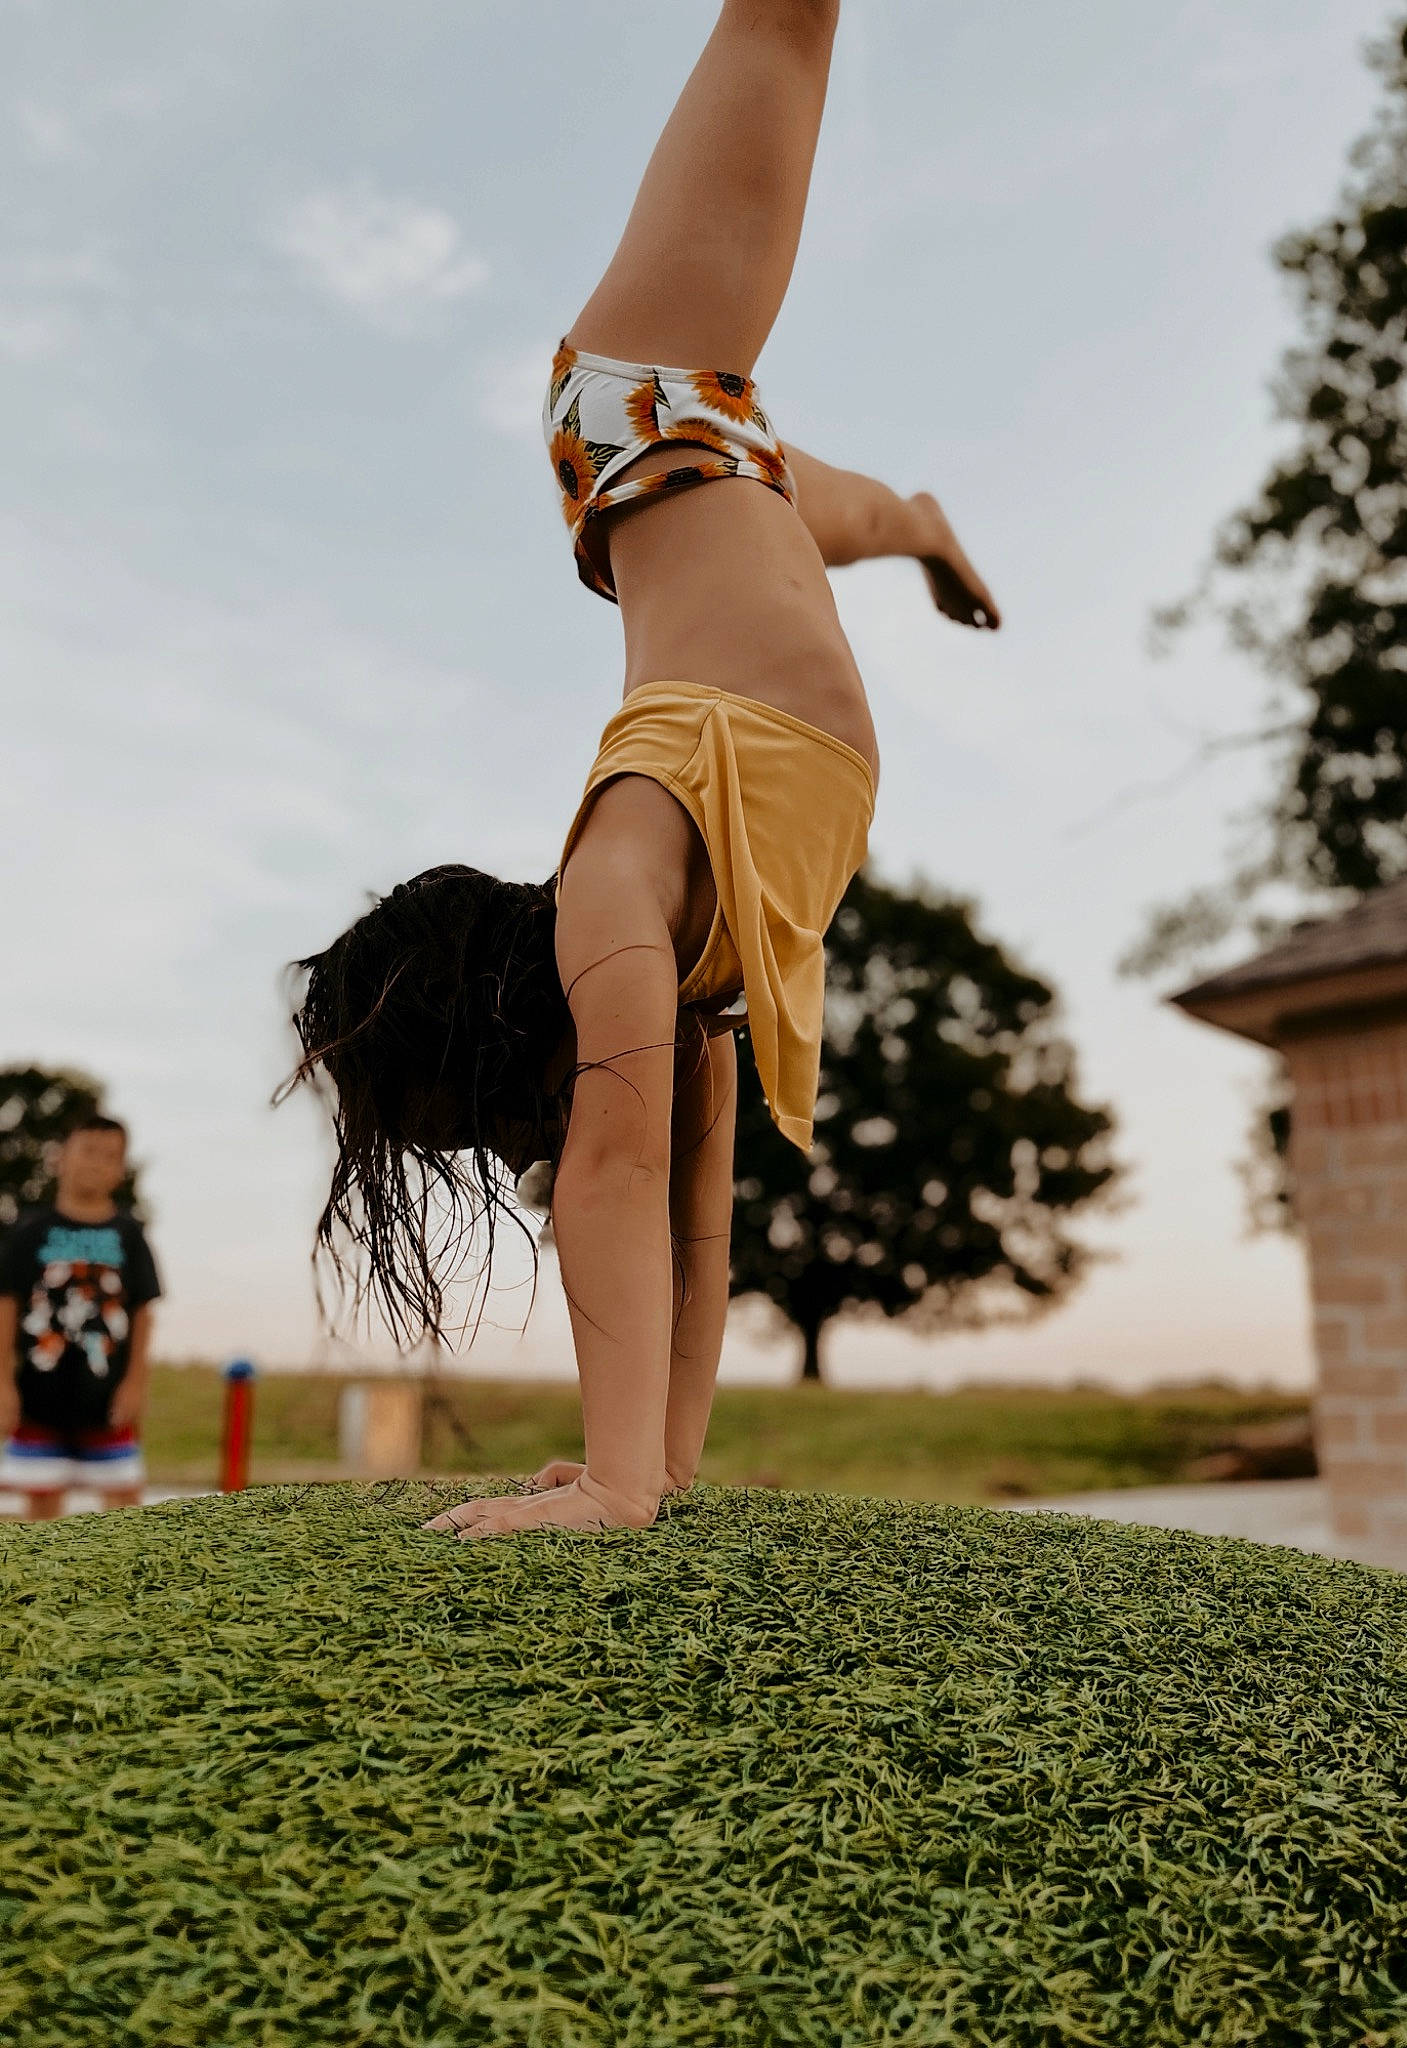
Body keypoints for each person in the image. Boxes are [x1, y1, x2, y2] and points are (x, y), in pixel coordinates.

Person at [289, 0, 999, 1537]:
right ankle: (923, 522)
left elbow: (613, 1189)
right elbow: (694, 1244)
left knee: (781, 32)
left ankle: (911, 522)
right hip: (716, 492)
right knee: (798, 498)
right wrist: (655, 1471)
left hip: (625, 403)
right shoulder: (690, 1011)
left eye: (502, 1123)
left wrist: (605, 1491)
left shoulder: (609, 897)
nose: (538, 1149)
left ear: (506, 1030)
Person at [0, 1116, 161, 1520]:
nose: (96, 1163)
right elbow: (6, 1306)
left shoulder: (129, 1234)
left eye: (110, 1156)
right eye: (87, 1151)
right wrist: (2, 1383)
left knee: (125, 1504)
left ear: (121, 1169)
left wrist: (136, 1384)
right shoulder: (29, 1231)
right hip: (38, 1394)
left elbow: (143, 1312)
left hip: (106, 1396)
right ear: (59, 1158)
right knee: (40, 1505)